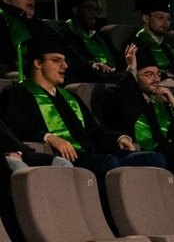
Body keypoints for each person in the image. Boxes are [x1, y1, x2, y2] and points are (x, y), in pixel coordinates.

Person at [0, 37, 161, 175]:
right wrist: (50, 137)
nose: (65, 66)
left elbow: (93, 130)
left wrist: (118, 138)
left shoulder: (69, 96)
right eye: (56, 60)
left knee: (153, 158)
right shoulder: (18, 93)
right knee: (107, 163)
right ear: (38, 63)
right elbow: (16, 129)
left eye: (64, 61)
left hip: (92, 154)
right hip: (67, 158)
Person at [100, 43, 174, 157]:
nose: (156, 79)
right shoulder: (116, 96)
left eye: (158, 74)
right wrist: (132, 70)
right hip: (141, 153)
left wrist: (173, 103)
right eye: (149, 75)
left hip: (169, 151)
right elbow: (125, 115)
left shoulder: (160, 100)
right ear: (135, 78)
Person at [55, 0, 120, 76]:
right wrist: (92, 65)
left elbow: (117, 59)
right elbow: (73, 60)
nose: (96, 15)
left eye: (97, 10)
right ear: (76, 9)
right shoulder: (64, 32)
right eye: (90, 9)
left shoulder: (101, 37)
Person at [130, 0, 174, 70]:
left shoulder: (168, 47)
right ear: (146, 18)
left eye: (169, 19)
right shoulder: (134, 46)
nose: (166, 23)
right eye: (160, 17)